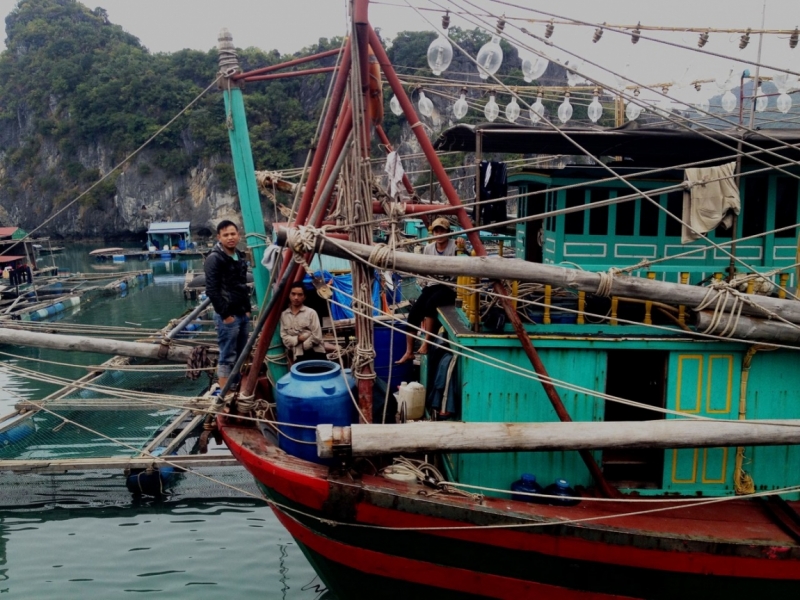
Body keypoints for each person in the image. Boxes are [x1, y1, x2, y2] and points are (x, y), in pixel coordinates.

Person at [397, 217, 457, 363]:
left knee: (431, 304)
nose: (439, 234)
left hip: (451, 286)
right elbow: (424, 268)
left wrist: (464, 247)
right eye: (437, 231)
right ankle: (409, 351)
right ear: (433, 233)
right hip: (433, 285)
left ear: (448, 232)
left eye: (442, 231)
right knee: (415, 311)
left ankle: (427, 343)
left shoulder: (455, 246)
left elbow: (468, 258)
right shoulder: (428, 248)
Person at [204, 220, 251, 389]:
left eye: (233, 234)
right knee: (227, 355)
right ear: (219, 237)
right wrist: (225, 316)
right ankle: (225, 394)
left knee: (241, 354)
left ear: (238, 235)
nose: (230, 237)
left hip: (242, 314)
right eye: (226, 235)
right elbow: (212, 291)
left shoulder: (239, 256)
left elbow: (242, 285)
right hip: (228, 317)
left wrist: (247, 310)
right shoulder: (214, 258)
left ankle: (235, 387)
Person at [280, 282, 327, 364]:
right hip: (297, 355)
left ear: (304, 297)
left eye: (300, 295)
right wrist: (298, 339)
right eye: (293, 294)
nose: (296, 297)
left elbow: (317, 337)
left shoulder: (311, 313)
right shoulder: (284, 315)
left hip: (315, 352)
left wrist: (303, 345)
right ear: (289, 295)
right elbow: (284, 338)